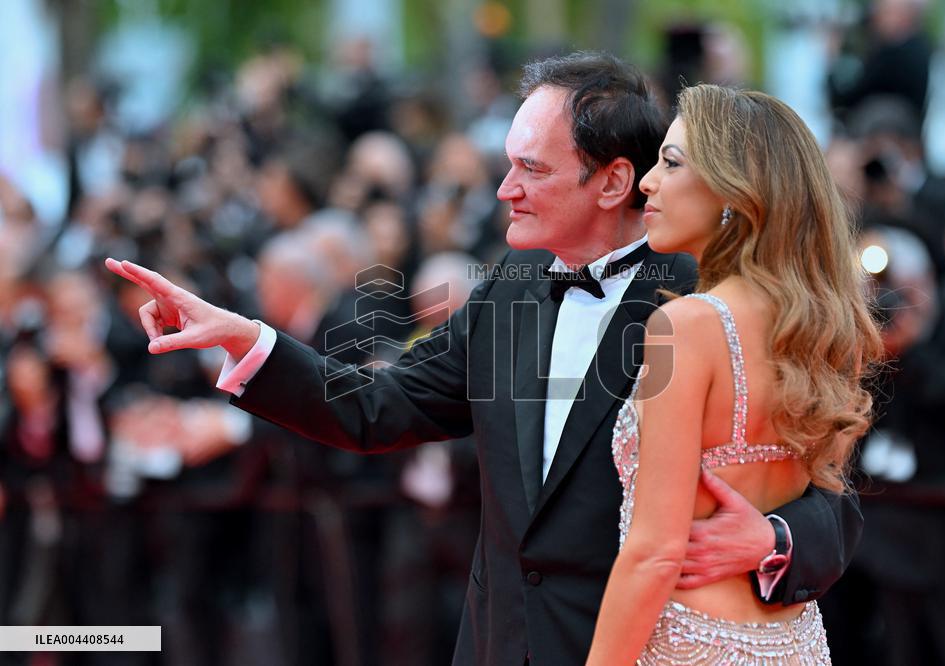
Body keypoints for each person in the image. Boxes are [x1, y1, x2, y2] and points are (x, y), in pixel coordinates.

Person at [105, 52, 863, 665]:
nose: (504, 190)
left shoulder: (710, 299)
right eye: (508, 164)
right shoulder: (508, 288)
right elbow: (380, 408)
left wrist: (776, 539)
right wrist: (248, 341)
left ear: (613, 181)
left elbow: (829, 490)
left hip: (638, 648)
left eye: (531, 169)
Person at [586, 85, 882, 664]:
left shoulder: (683, 326)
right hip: (795, 644)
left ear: (735, 193)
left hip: (689, 643)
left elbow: (653, 554)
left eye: (671, 163)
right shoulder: (821, 330)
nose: (648, 182)